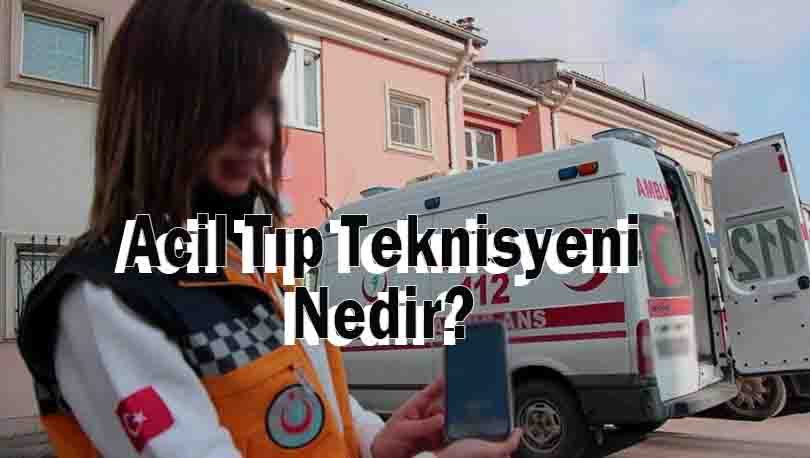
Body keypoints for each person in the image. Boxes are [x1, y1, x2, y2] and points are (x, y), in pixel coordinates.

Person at [15, 1, 523, 457]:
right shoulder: (107, 298)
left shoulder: (258, 264)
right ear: (161, 109)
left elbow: (318, 403)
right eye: (234, 106)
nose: (261, 133)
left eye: (268, 106)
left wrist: (375, 442)